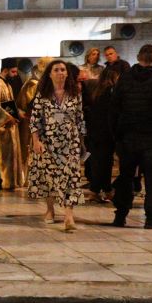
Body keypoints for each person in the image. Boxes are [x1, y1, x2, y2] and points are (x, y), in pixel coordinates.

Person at [110, 44, 152, 228]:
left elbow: (115, 106)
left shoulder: (124, 79)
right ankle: (151, 217)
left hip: (128, 136)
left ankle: (120, 215)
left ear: (138, 56)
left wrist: (117, 134)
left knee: (126, 176)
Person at [26, 60, 86, 231]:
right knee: (49, 176)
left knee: (70, 178)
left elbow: (80, 118)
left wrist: (82, 142)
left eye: (63, 70)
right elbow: (35, 119)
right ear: (50, 74)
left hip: (70, 142)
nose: (60, 72)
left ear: (67, 73)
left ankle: (69, 216)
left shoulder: (75, 93)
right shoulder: (42, 94)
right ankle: (50, 209)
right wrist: (35, 140)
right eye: (56, 70)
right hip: (48, 141)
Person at [83, 66, 120, 202]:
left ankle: (102, 189)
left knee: (97, 162)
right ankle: (99, 190)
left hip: (94, 133)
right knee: (104, 163)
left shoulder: (96, 91)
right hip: (106, 134)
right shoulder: (110, 92)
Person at [0, 60, 26, 190]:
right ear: (5, 70)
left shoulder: (8, 85)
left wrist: (16, 114)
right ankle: (4, 179)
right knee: (3, 155)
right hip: (3, 125)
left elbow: (9, 104)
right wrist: (7, 117)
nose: (15, 74)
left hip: (10, 124)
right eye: (13, 71)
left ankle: (11, 181)